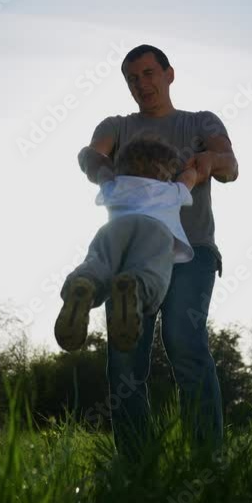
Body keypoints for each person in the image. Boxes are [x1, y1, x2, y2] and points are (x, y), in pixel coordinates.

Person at [74, 44, 239, 458]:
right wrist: (106, 173)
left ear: (169, 74)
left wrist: (203, 165)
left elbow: (231, 165)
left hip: (192, 251)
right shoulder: (117, 125)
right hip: (132, 256)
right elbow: (91, 153)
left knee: (184, 340)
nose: (141, 84)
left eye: (149, 73)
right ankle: (136, 463)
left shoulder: (200, 122)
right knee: (125, 356)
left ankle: (206, 459)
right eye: (132, 78)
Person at [55, 136, 199, 353]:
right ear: (166, 171)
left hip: (114, 228)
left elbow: (96, 167)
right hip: (156, 231)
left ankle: (84, 283)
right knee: (151, 269)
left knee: (99, 262)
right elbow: (190, 177)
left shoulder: (114, 185)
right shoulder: (171, 191)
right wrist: (191, 168)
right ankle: (136, 288)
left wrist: (86, 156)